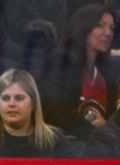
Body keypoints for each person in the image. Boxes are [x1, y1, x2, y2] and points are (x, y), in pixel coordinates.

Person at [40, 3, 119, 141]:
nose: (108, 33)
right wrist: (102, 130)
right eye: (100, 26)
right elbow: (59, 114)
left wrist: (107, 128)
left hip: (100, 141)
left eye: (111, 28)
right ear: (84, 27)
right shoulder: (60, 63)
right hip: (65, 142)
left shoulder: (105, 70)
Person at [0, 68, 77, 156]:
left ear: (33, 103)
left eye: (19, 98)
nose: (11, 104)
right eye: (5, 98)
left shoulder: (56, 141)